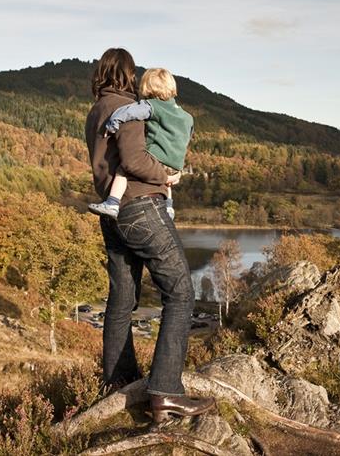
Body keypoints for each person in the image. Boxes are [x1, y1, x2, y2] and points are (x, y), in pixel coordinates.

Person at [85, 48, 214, 423]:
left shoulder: (96, 110)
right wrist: (168, 176)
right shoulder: (126, 106)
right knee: (181, 293)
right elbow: (134, 161)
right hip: (142, 208)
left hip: (113, 214)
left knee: (122, 301)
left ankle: (118, 387)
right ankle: (166, 393)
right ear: (127, 74)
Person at [88, 67, 193, 221]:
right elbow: (187, 136)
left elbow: (129, 113)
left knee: (122, 170)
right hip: (175, 166)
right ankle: (169, 206)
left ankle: (112, 203)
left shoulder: (151, 106)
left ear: (146, 87)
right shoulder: (187, 116)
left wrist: (113, 122)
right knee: (168, 183)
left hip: (155, 161)